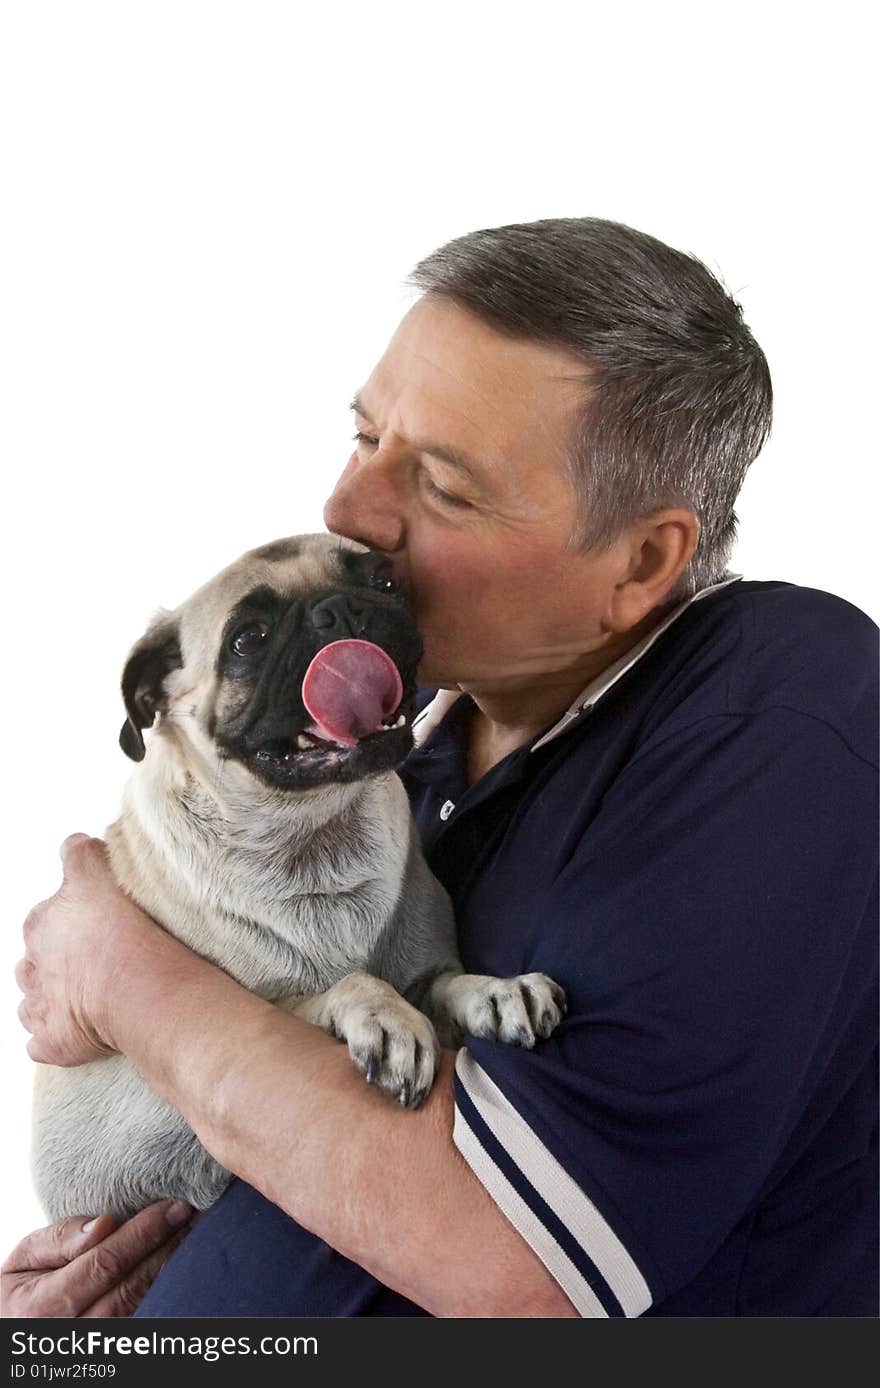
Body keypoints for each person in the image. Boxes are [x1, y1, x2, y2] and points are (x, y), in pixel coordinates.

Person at [7, 218, 877, 1319]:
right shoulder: (401, 780)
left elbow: (520, 1263)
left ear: (642, 560)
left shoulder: (774, 700)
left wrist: (124, 977)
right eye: (365, 435)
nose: (349, 513)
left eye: (445, 486)